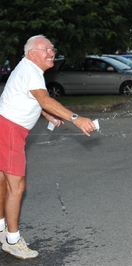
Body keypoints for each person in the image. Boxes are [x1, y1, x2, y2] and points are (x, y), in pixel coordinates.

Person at [0, 35, 96, 259]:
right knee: (17, 186)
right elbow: (43, 99)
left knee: (3, 180)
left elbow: (31, 98)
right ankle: (12, 240)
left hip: (4, 125)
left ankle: (1, 227)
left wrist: (47, 115)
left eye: (52, 49)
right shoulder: (32, 71)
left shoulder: (26, 68)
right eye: (46, 49)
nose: (52, 53)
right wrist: (76, 118)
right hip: (9, 130)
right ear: (32, 53)